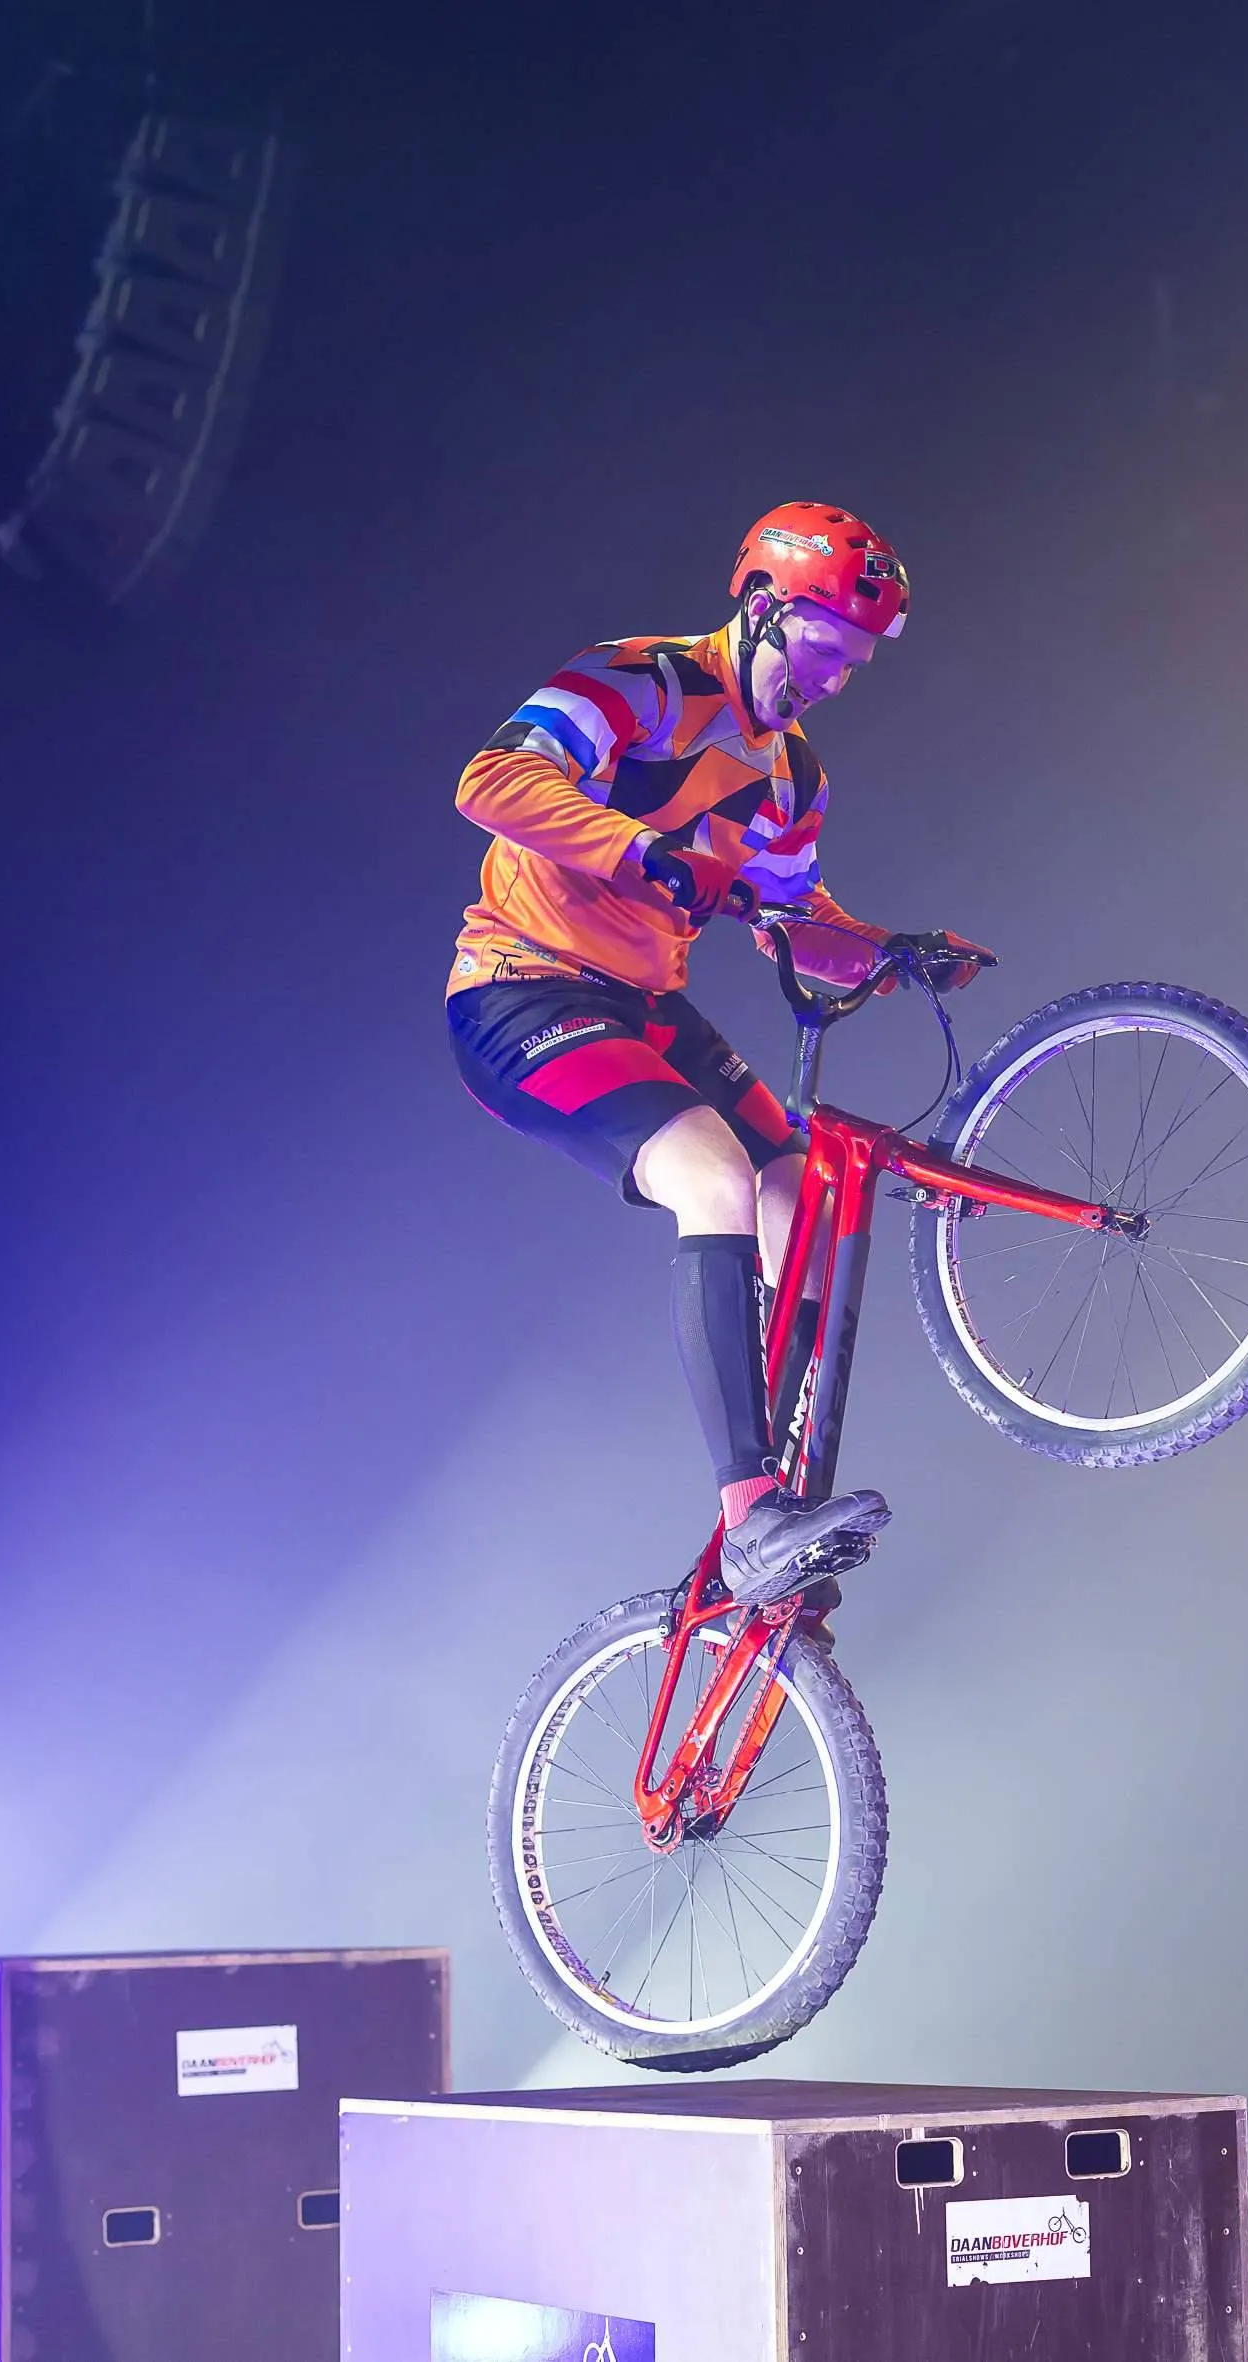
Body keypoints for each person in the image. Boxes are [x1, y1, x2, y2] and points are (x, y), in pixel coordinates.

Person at [445, 503, 983, 1602]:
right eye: (825, 648)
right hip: (519, 989)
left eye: (855, 663)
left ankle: (782, 1516)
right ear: (762, 605)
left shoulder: (792, 777)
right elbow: (489, 782)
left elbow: (794, 923)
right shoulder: (637, 679)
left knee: (805, 1207)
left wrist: (892, 951)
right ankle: (750, 1515)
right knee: (713, 1175)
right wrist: (638, 850)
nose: (835, 679)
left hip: (643, 1004)